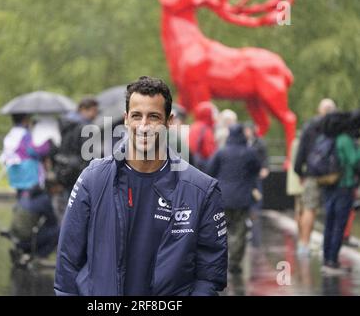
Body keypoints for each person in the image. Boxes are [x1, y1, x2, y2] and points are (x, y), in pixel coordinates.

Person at [55, 76, 227, 296]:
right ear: (126, 120)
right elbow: (67, 266)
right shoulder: (93, 180)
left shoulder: (202, 190)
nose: (144, 126)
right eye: (137, 116)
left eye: (153, 117)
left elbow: (210, 276)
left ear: (168, 121)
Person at [0, 113, 59, 263]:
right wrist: (48, 144)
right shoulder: (25, 135)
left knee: (22, 207)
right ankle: (30, 247)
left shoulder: (10, 134)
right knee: (34, 214)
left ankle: (18, 238)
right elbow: (34, 151)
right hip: (29, 175)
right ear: (25, 120)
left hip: (16, 176)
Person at [207, 124, 261, 274]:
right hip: (242, 198)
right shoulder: (250, 152)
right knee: (239, 231)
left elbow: (210, 170)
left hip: (222, 197)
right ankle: (235, 262)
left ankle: (219, 261)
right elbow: (257, 169)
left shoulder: (221, 152)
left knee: (220, 230)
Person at [294, 98, 337, 256]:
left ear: (320, 110)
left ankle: (304, 245)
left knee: (309, 209)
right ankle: (329, 248)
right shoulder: (338, 126)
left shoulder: (311, 125)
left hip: (312, 173)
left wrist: (299, 171)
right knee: (331, 211)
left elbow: (302, 150)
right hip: (333, 175)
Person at [319, 111, 360, 275]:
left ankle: (326, 258)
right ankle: (333, 261)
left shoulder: (328, 138)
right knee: (339, 224)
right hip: (344, 185)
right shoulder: (345, 140)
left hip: (329, 184)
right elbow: (354, 161)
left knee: (329, 222)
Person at [243, 122, 269, 247]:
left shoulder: (259, 143)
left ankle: (255, 211)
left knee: (257, 194)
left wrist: (265, 168)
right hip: (244, 176)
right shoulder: (241, 143)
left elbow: (265, 158)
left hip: (255, 175)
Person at [188, 101, 217, 172]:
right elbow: (208, 150)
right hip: (203, 165)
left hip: (197, 164)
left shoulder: (196, 126)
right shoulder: (204, 128)